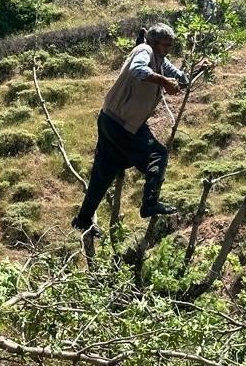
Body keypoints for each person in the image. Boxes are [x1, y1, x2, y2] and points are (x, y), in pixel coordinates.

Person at [72, 23, 196, 234]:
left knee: (104, 171)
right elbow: (138, 70)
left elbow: (179, 78)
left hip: (112, 119)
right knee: (158, 154)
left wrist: (197, 70)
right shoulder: (144, 51)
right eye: (165, 45)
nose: (168, 50)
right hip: (122, 123)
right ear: (154, 43)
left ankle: (83, 220)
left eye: (170, 46)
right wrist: (164, 82)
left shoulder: (160, 59)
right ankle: (149, 203)